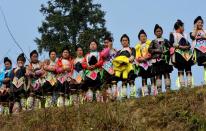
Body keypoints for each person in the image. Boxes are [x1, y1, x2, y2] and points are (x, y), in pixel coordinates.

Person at [149, 24, 173, 93]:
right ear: (155, 33)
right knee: (158, 74)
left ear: (162, 32)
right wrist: (157, 50)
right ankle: (159, 89)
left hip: (165, 60)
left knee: (166, 73)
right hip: (157, 60)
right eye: (157, 31)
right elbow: (150, 49)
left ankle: (168, 88)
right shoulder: (153, 41)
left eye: (159, 31)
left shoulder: (165, 40)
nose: (158, 32)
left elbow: (170, 47)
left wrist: (167, 51)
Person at [170, 20, 194, 88]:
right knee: (180, 68)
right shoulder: (173, 34)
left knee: (188, 68)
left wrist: (188, 46)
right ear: (179, 27)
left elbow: (188, 43)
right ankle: (182, 84)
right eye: (183, 26)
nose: (183, 28)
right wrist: (180, 46)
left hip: (187, 53)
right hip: (179, 53)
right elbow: (171, 43)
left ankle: (190, 84)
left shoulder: (185, 35)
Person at [113, 34, 136, 99]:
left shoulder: (132, 49)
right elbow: (116, 60)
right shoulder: (119, 52)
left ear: (128, 41)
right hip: (121, 68)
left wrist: (126, 60)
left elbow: (132, 57)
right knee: (123, 81)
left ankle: (132, 95)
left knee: (131, 80)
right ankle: (124, 96)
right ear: (121, 42)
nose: (124, 42)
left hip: (129, 67)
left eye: (126, 40)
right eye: (123, 40)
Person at [136, 30, 155, 96]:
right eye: (141, 36)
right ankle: (145, 93)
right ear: (139, 38)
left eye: (144, 36)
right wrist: (140, 58)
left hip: (150, 62)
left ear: (146, 37)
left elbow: (152, 52)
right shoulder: (137, 47)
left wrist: (146, 57)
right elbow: (137, 56)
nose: (143, 37)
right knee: (144, 77)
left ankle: (154, 92)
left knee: (152, 76)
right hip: (142, 64)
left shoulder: (150, 44)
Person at [190, 16, 206, 84]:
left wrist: (203, 37)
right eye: (199, 22)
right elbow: (193, 36)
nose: (201, 24)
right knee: (204, 64)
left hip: (205, 49)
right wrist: (195, 28)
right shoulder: (193, 31)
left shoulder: (205, 31)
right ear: (195, 23)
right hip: (199, 50)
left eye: (202, 22)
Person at [101, 36, 117, 101]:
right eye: (104, 42)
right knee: (108, 83)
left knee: (114, 82)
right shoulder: (103, 50)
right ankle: (109, 97)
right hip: (106, 67)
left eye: (107, 42)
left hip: (114, 67)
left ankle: (115, 96)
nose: (106, 44)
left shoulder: (115, 50)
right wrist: (108, 48)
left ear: (111, 42)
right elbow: (103, 55)